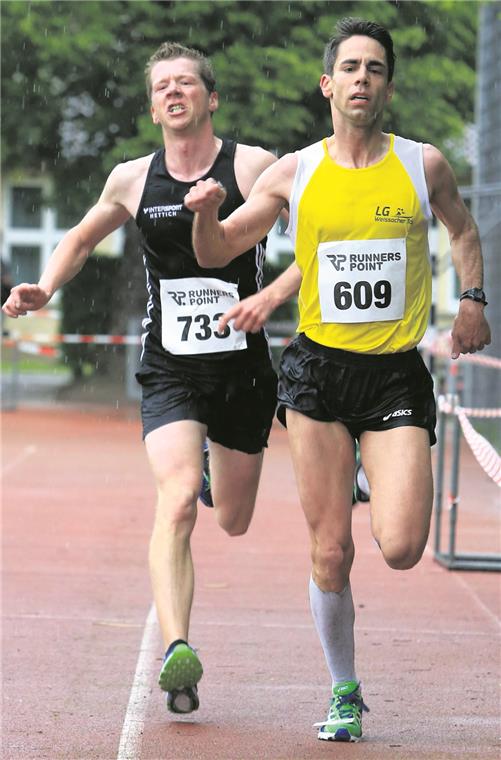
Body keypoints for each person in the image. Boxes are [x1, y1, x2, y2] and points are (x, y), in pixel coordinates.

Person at [184, 17, 491, 742]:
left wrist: (473, 300)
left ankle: (371, 474)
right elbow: (221, 246)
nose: (361, 78)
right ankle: (344, 691)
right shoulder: (295, 172)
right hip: (318, 376)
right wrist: (204, 216)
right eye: (349, 67)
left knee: (402, 546)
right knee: (329, 549)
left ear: (386, 85)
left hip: (393, 380)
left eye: (374, 68)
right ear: (328, 85)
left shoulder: (424, 165)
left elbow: (462, 230)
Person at [2, 42, 300, 716]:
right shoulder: (131, 178)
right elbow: (79, 238)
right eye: (161, 85)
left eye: (186, 82)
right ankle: (177, 652)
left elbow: (315, 234)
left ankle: (207, 462)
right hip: (169, 370)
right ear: (151, 104)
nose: (173, 92)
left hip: (242, 372)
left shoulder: (251, 164)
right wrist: (46, 287)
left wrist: (274, 295)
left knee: (232, 517)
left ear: (210, 98)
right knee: (175, 503)